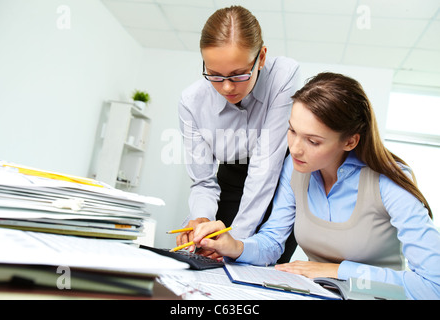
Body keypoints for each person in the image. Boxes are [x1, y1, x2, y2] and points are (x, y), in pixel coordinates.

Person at [192, 72, 440, 300]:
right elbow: (273, 241)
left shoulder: (390, 181)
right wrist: (235, 246)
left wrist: (336, 270)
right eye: (292, 130)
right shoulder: (296, 167)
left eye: (313, 140)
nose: (295, 148)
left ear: (350, 141)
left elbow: (433, 285)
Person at [177, 6, 300, 262]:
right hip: (230, 180)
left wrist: (236, 243)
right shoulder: (192, 102)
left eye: (238, 74)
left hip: (279, 183)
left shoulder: (283, 75)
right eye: (214, 75)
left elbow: (265, 167)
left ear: (261, 57)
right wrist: (201, 220)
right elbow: (203, 182)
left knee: (260, 265)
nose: (227, 87)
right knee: (206, 260)